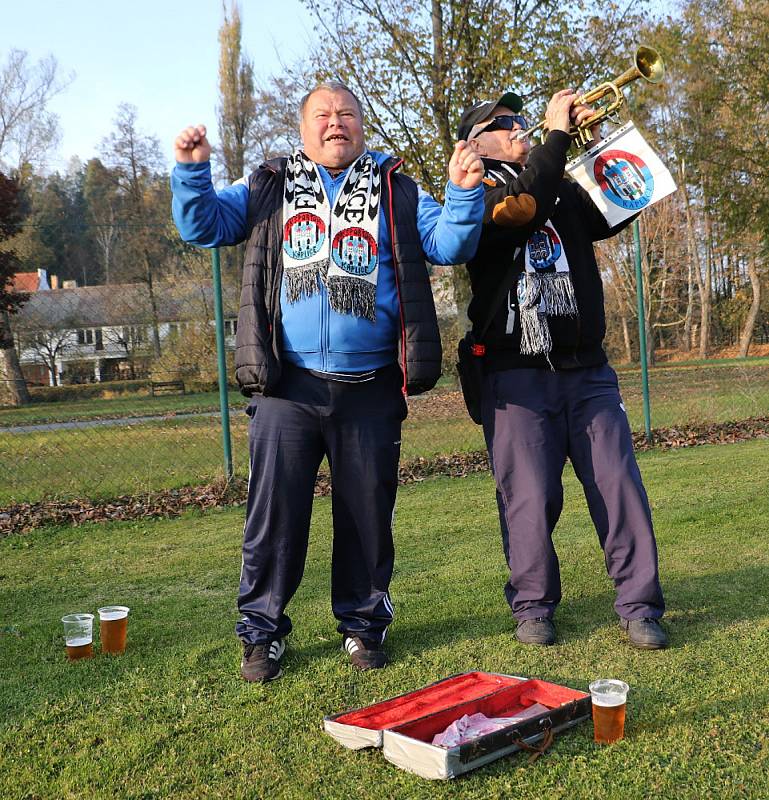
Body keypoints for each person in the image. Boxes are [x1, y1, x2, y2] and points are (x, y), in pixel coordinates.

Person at [171, 81, 485, 682]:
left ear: (361, 125)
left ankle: (364, 626)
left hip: (369, 386)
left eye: (345, 113)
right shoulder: (269, 186)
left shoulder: (396, 188)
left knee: (367, 515)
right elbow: (205, 225)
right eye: (322, 115)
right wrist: (192, 170)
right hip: (287, 386)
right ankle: (261, 634)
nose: (335, 122)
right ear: (303, 127)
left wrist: (463, 193)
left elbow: (447, 242)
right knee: (275, 518)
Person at [456, 89, 667, 649]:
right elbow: (523, 211)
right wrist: (554, 136)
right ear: (474, 145)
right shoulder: (475, 194)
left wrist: (600, 148)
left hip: (585, 368)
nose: (519, 126)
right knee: (529, 495)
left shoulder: (557, 183)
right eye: (503, 124)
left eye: (520, 119)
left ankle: (641, 605)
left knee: (619, 483)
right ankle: (533, 607)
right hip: (514, 374)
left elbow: (621, 206)